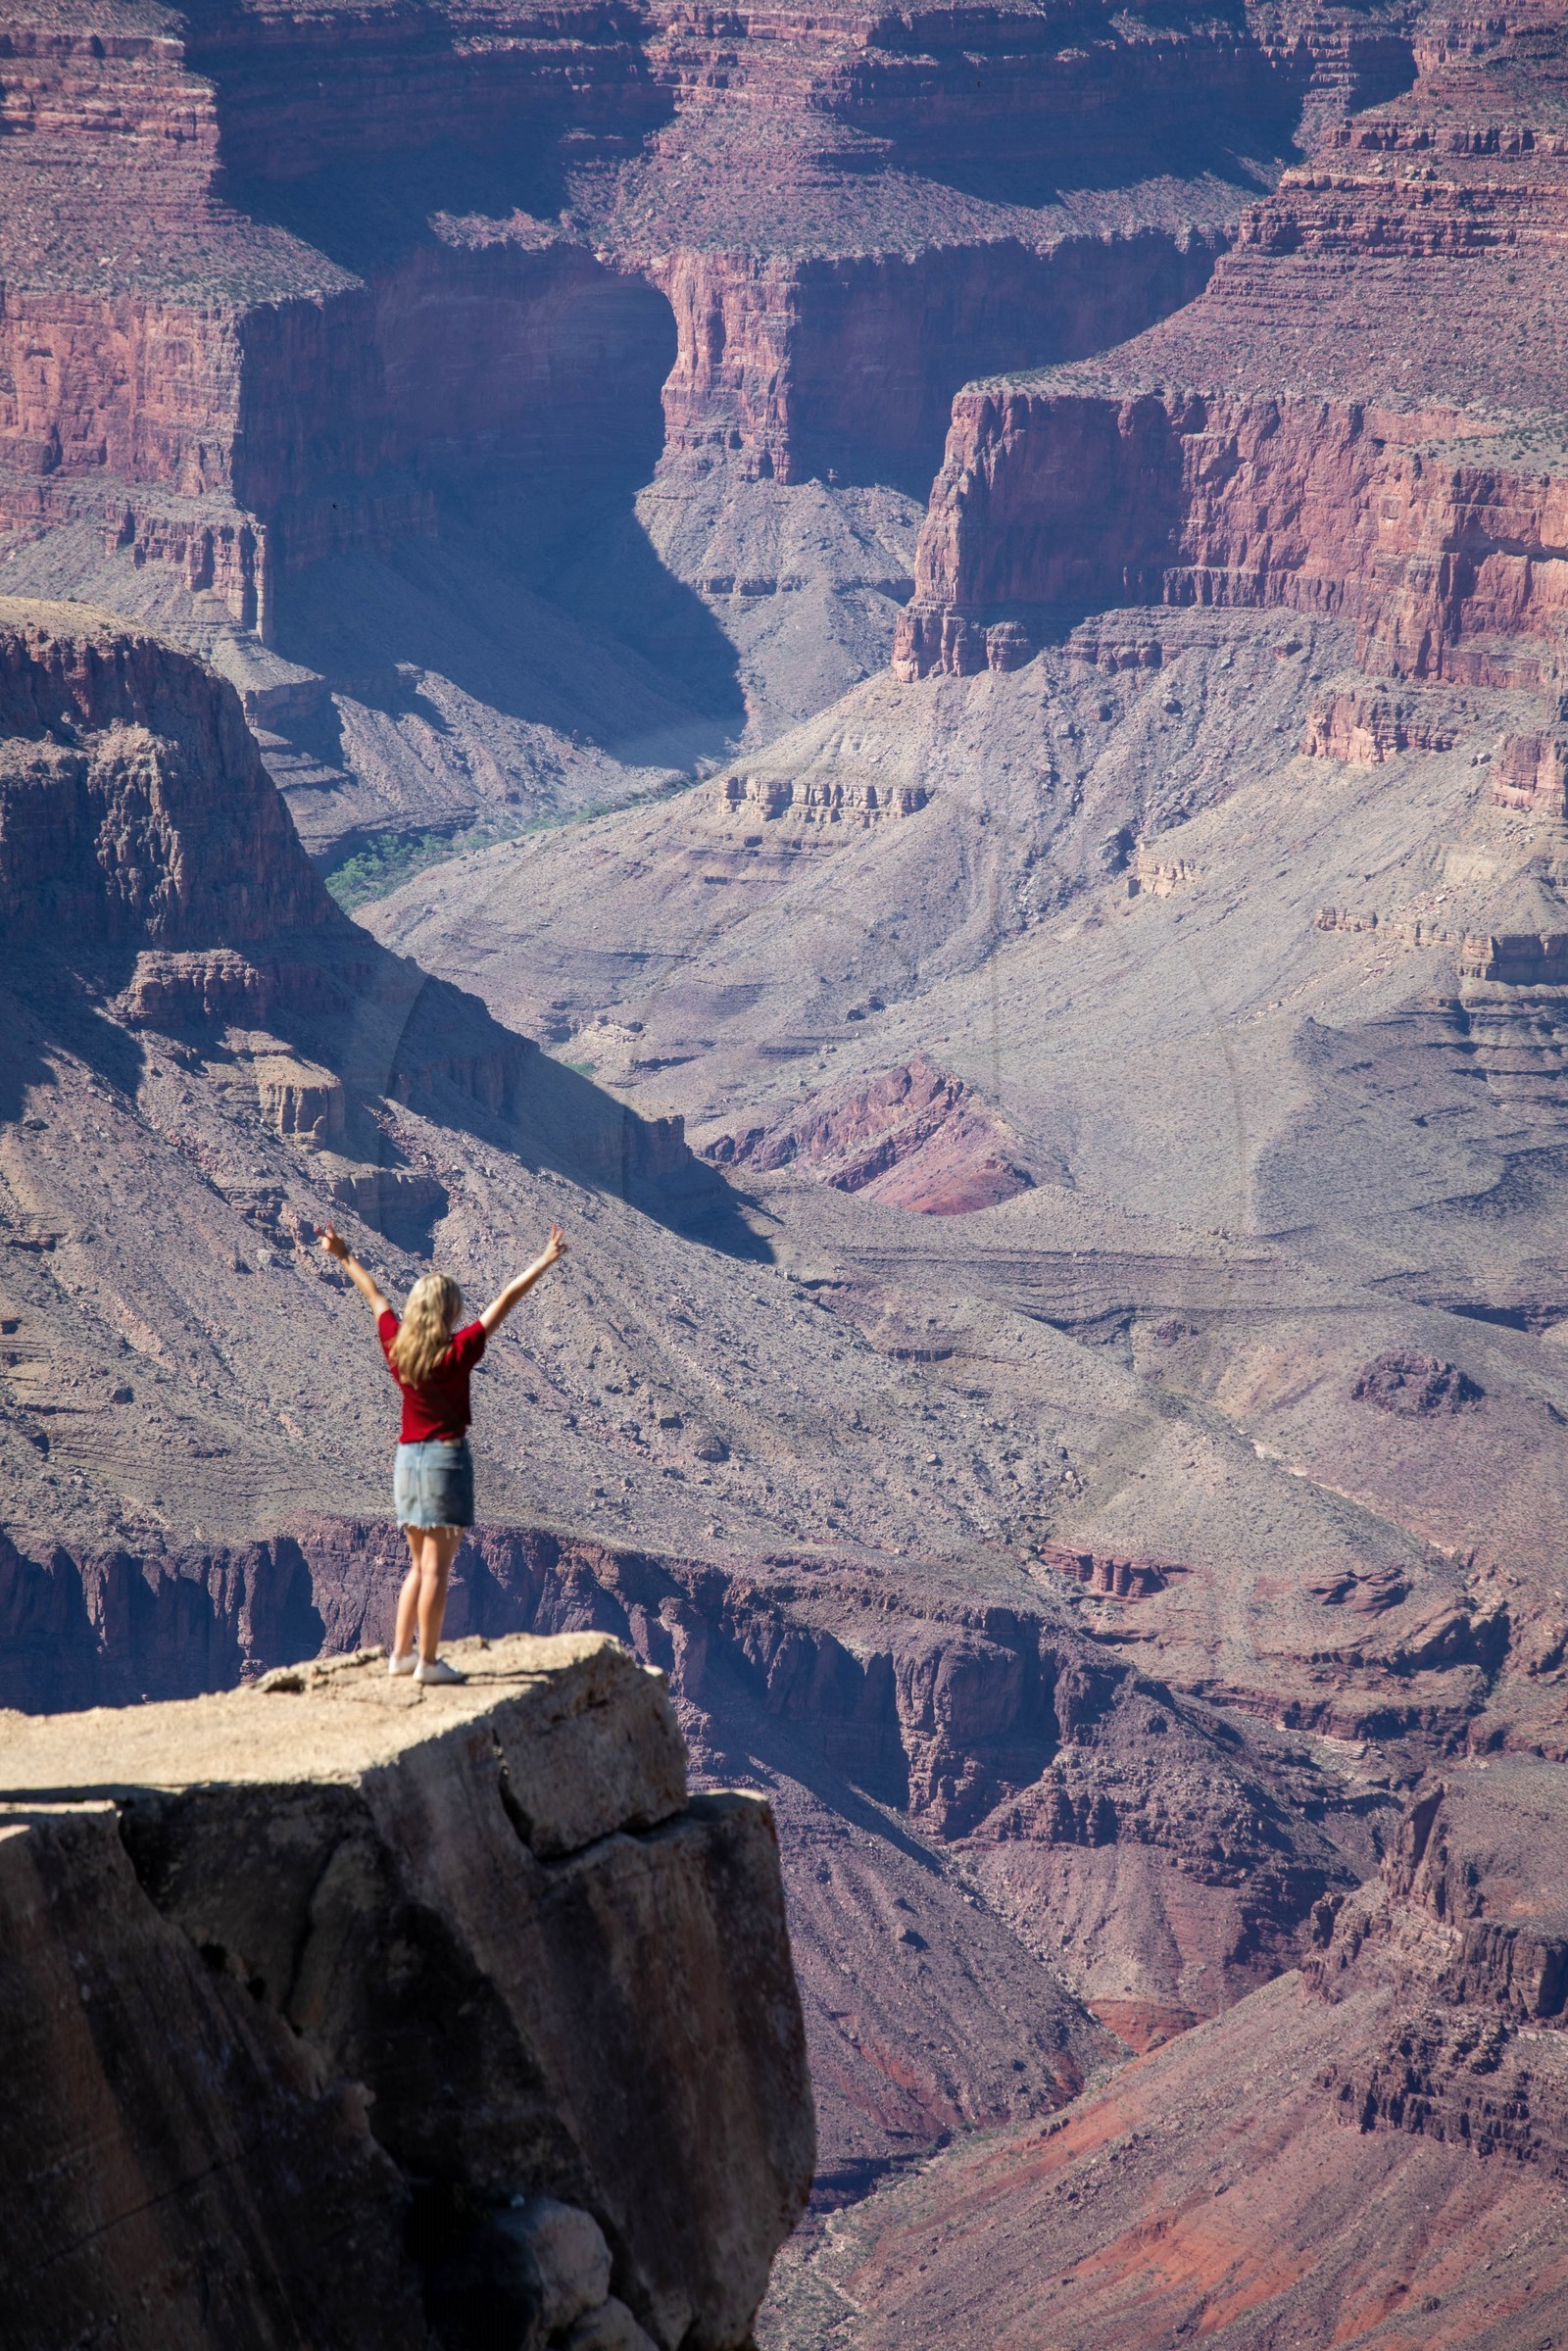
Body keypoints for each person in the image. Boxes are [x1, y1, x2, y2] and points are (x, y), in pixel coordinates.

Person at [317, 1221, 568, 1684]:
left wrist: (343, 1254)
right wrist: (545, 1260)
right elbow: (504, 1301)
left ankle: (401, 1655)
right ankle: (428, 1663)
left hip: (407, 1462)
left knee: (417, 1564)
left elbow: (375, 1296)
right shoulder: (458, 1352)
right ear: (450, 1311)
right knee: (437, 1567)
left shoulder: (396, 1345)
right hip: (443, 1462)